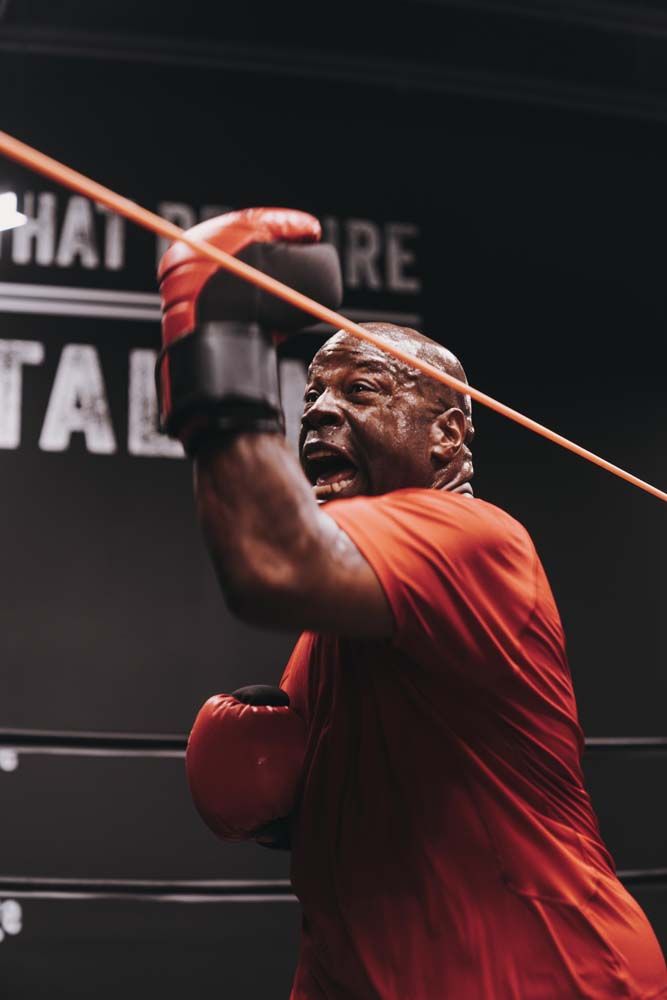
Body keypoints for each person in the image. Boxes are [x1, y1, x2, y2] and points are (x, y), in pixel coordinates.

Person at [158, 208, 667, 998]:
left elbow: (266, 560)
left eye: (361, 389)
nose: (319, 412)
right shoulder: (337, 625)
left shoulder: (471, 537)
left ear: (448, 436)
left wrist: (213, 339)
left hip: (548, 974)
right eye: (309, 398)